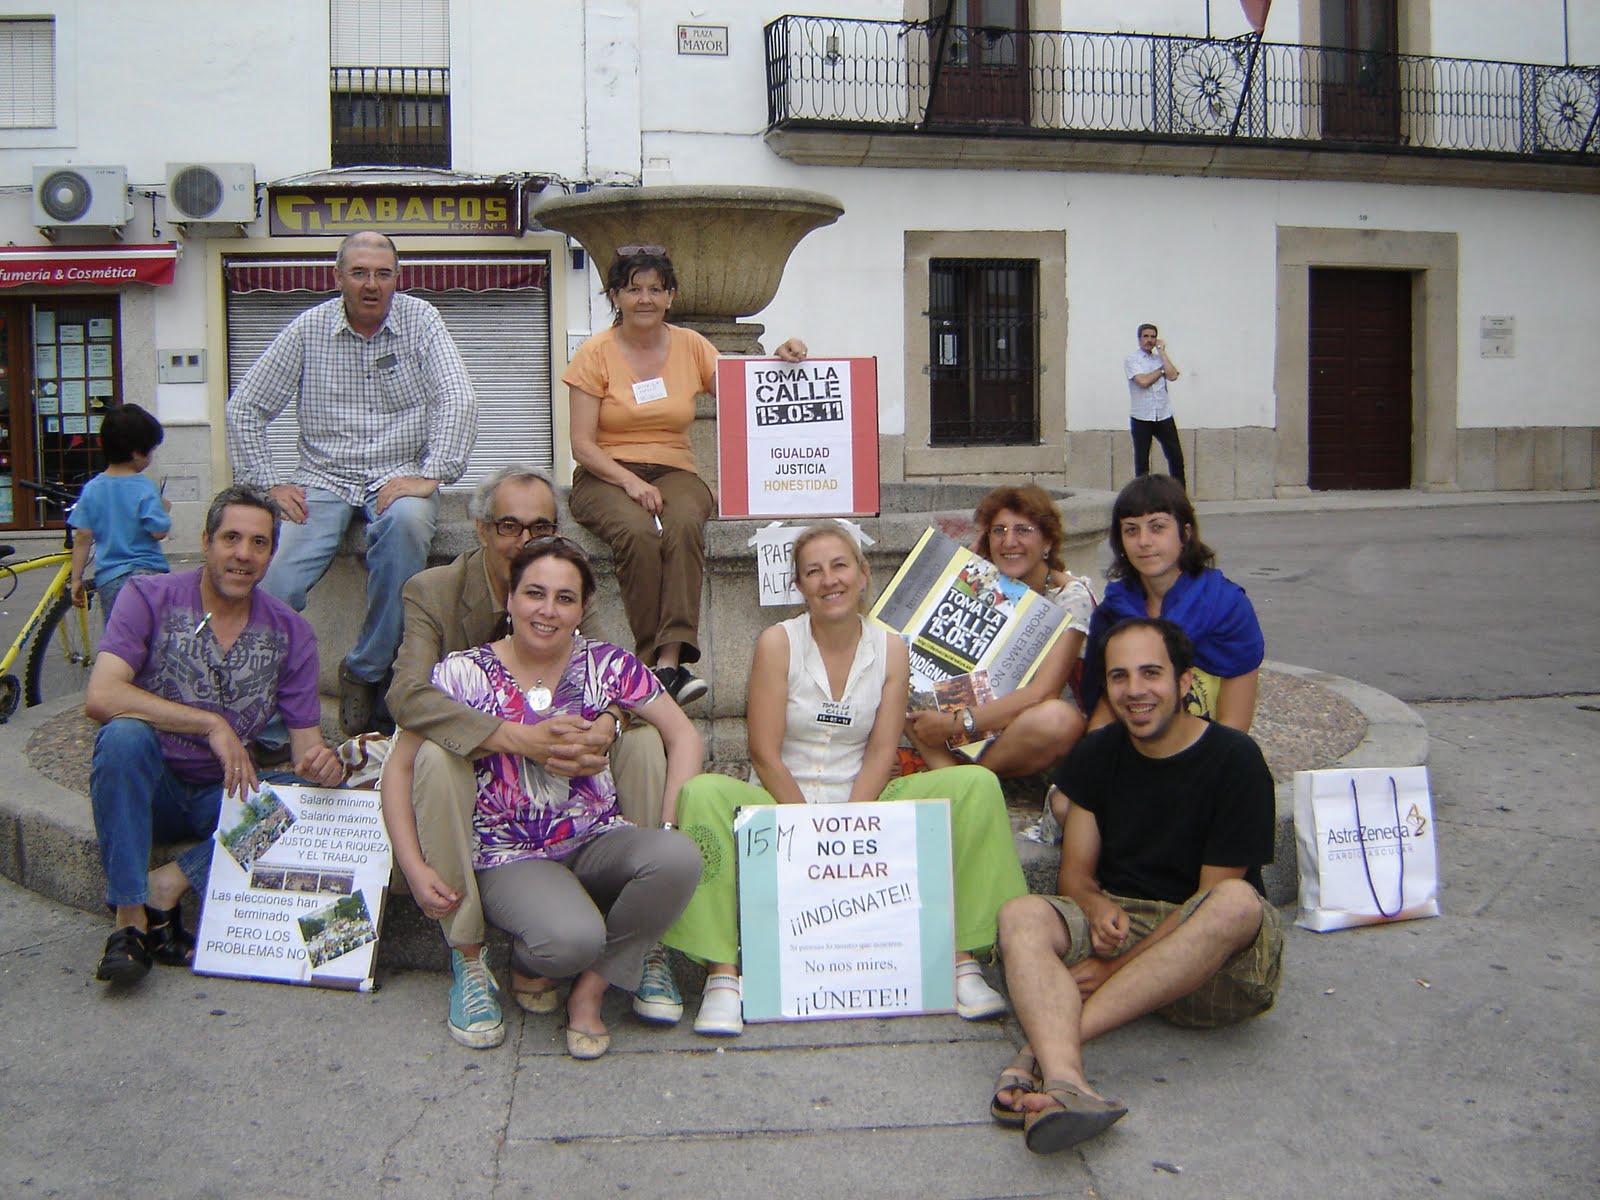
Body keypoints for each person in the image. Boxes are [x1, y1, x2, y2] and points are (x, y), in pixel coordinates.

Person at [663, 522, 1027, 1037]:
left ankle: (959, 959)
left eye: (839, 566)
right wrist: (807, 831)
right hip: (780, 795)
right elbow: (763, 753)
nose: (827, 580)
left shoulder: (892, 649)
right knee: (700, 793)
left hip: (865, 796)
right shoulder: (777, 642)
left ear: (862, 575)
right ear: (799, 586)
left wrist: (851, 825)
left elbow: (882, 749)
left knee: (976, 787)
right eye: (813, 571)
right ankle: (723, 975)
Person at [384, 464, 683, 1043]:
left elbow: (605, 672)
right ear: (480, 530)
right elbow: (407, 697)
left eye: (540, 525)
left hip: (578, 803)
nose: (525, 540)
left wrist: (609, 724)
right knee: (434, 761)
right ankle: (468, 954)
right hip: (483, 791)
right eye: (509, 526)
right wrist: (510, 736)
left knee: (645, 741)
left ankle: (640, 937)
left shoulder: (562, 579)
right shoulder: (435, 593)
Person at [991, 617, 1282, 1154]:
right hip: (1128, 922)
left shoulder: (1235, 762)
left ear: (1186, 681)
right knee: (1020, 913)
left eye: (1151, 673)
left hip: (1213, 964)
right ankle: (1066, 1083)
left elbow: (1206, 904)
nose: (1135, 691)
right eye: (1120, 676)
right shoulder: (1099, 753)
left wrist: (1108, 969)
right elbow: (1075, 875)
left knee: (1236, 903)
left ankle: (1037, 1054)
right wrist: (1095, 903)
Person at [82, 485, 344, 985]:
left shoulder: (291, 632)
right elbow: (102, 694)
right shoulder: (147, 596)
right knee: (122, 738)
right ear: (206, 541)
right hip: (148, 788)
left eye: (259, 543)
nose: (243, 555)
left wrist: (324, 764)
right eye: (231, 538)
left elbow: (306, 744)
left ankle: (169, 884)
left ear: (272, 552)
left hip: (220, 796)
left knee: (308, 794)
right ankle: (130, 922)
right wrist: (210, 723)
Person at [225, 230, 477, 736]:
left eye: (383, 274)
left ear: (397, 280)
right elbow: (246, 407)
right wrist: (267, 481)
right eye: (359, 272)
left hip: (396, 476)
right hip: (321, 478)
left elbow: (458, 396)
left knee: (407, 529)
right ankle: (266, 719)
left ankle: (368, 671)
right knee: (276, 579)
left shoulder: (422, 320)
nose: (371, 284)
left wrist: (432, 473)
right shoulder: (307, 329)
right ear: (336, 277)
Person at [564, 245, 806, 707]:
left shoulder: (691, 345)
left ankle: (669, 663)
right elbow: (582, 444)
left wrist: (779, 358)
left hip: (675, 468)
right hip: (605, 474)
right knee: (636, 532)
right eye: (633, 289)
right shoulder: (593, 353)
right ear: (615, 296)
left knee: (682, 523)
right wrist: (629, 482)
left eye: (656, 289)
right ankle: (649, 661)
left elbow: (746, 390)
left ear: (671, 296)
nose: (645, 299)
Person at [904, 484, 1094, 778]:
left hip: (1021, 725)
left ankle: (967, 777)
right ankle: (950, 769)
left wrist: (956, 723)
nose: (1009, 542)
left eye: (1023, 530)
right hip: (969, 707)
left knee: (1059, 719)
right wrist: (970, 560)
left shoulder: (1069, 596)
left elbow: (1043, 692)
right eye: (998, 531)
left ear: (1048, 542)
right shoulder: (981, 579)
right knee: (893, 662)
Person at [1081, 473, 1264, 732]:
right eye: (1131, 530)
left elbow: (1234, 725)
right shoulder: (1115, 611)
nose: (1143, 541)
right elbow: (1104, 714)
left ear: (1185, 533)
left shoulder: (1226, 606)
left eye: (1157, 527)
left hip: (1208, 749)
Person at [69, 402, 172, 621]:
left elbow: (83, 536)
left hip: (110, 578)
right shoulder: (145, 487)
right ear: (137, 452)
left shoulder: (92, 489)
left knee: (120, 639)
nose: (151, 456)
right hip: (149, 575)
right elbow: (158, 532)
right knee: (154, 638)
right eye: (151, 450)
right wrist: (164, 510)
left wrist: (76, 578)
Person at [1124, 323, 1185, 489]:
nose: (1149, 340)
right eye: (1145, 336)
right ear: (1139, 339)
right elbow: (1142, 381)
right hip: (1142, 417)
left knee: (1176, 458)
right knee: (1142, 463)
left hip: (1163, 415)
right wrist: (1161, 371)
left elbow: (1172, 375)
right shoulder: (1132, 360)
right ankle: (1143, 500)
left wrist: (1162, 352)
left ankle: (1180, 498)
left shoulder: (1160, 359)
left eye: (1152, 337)